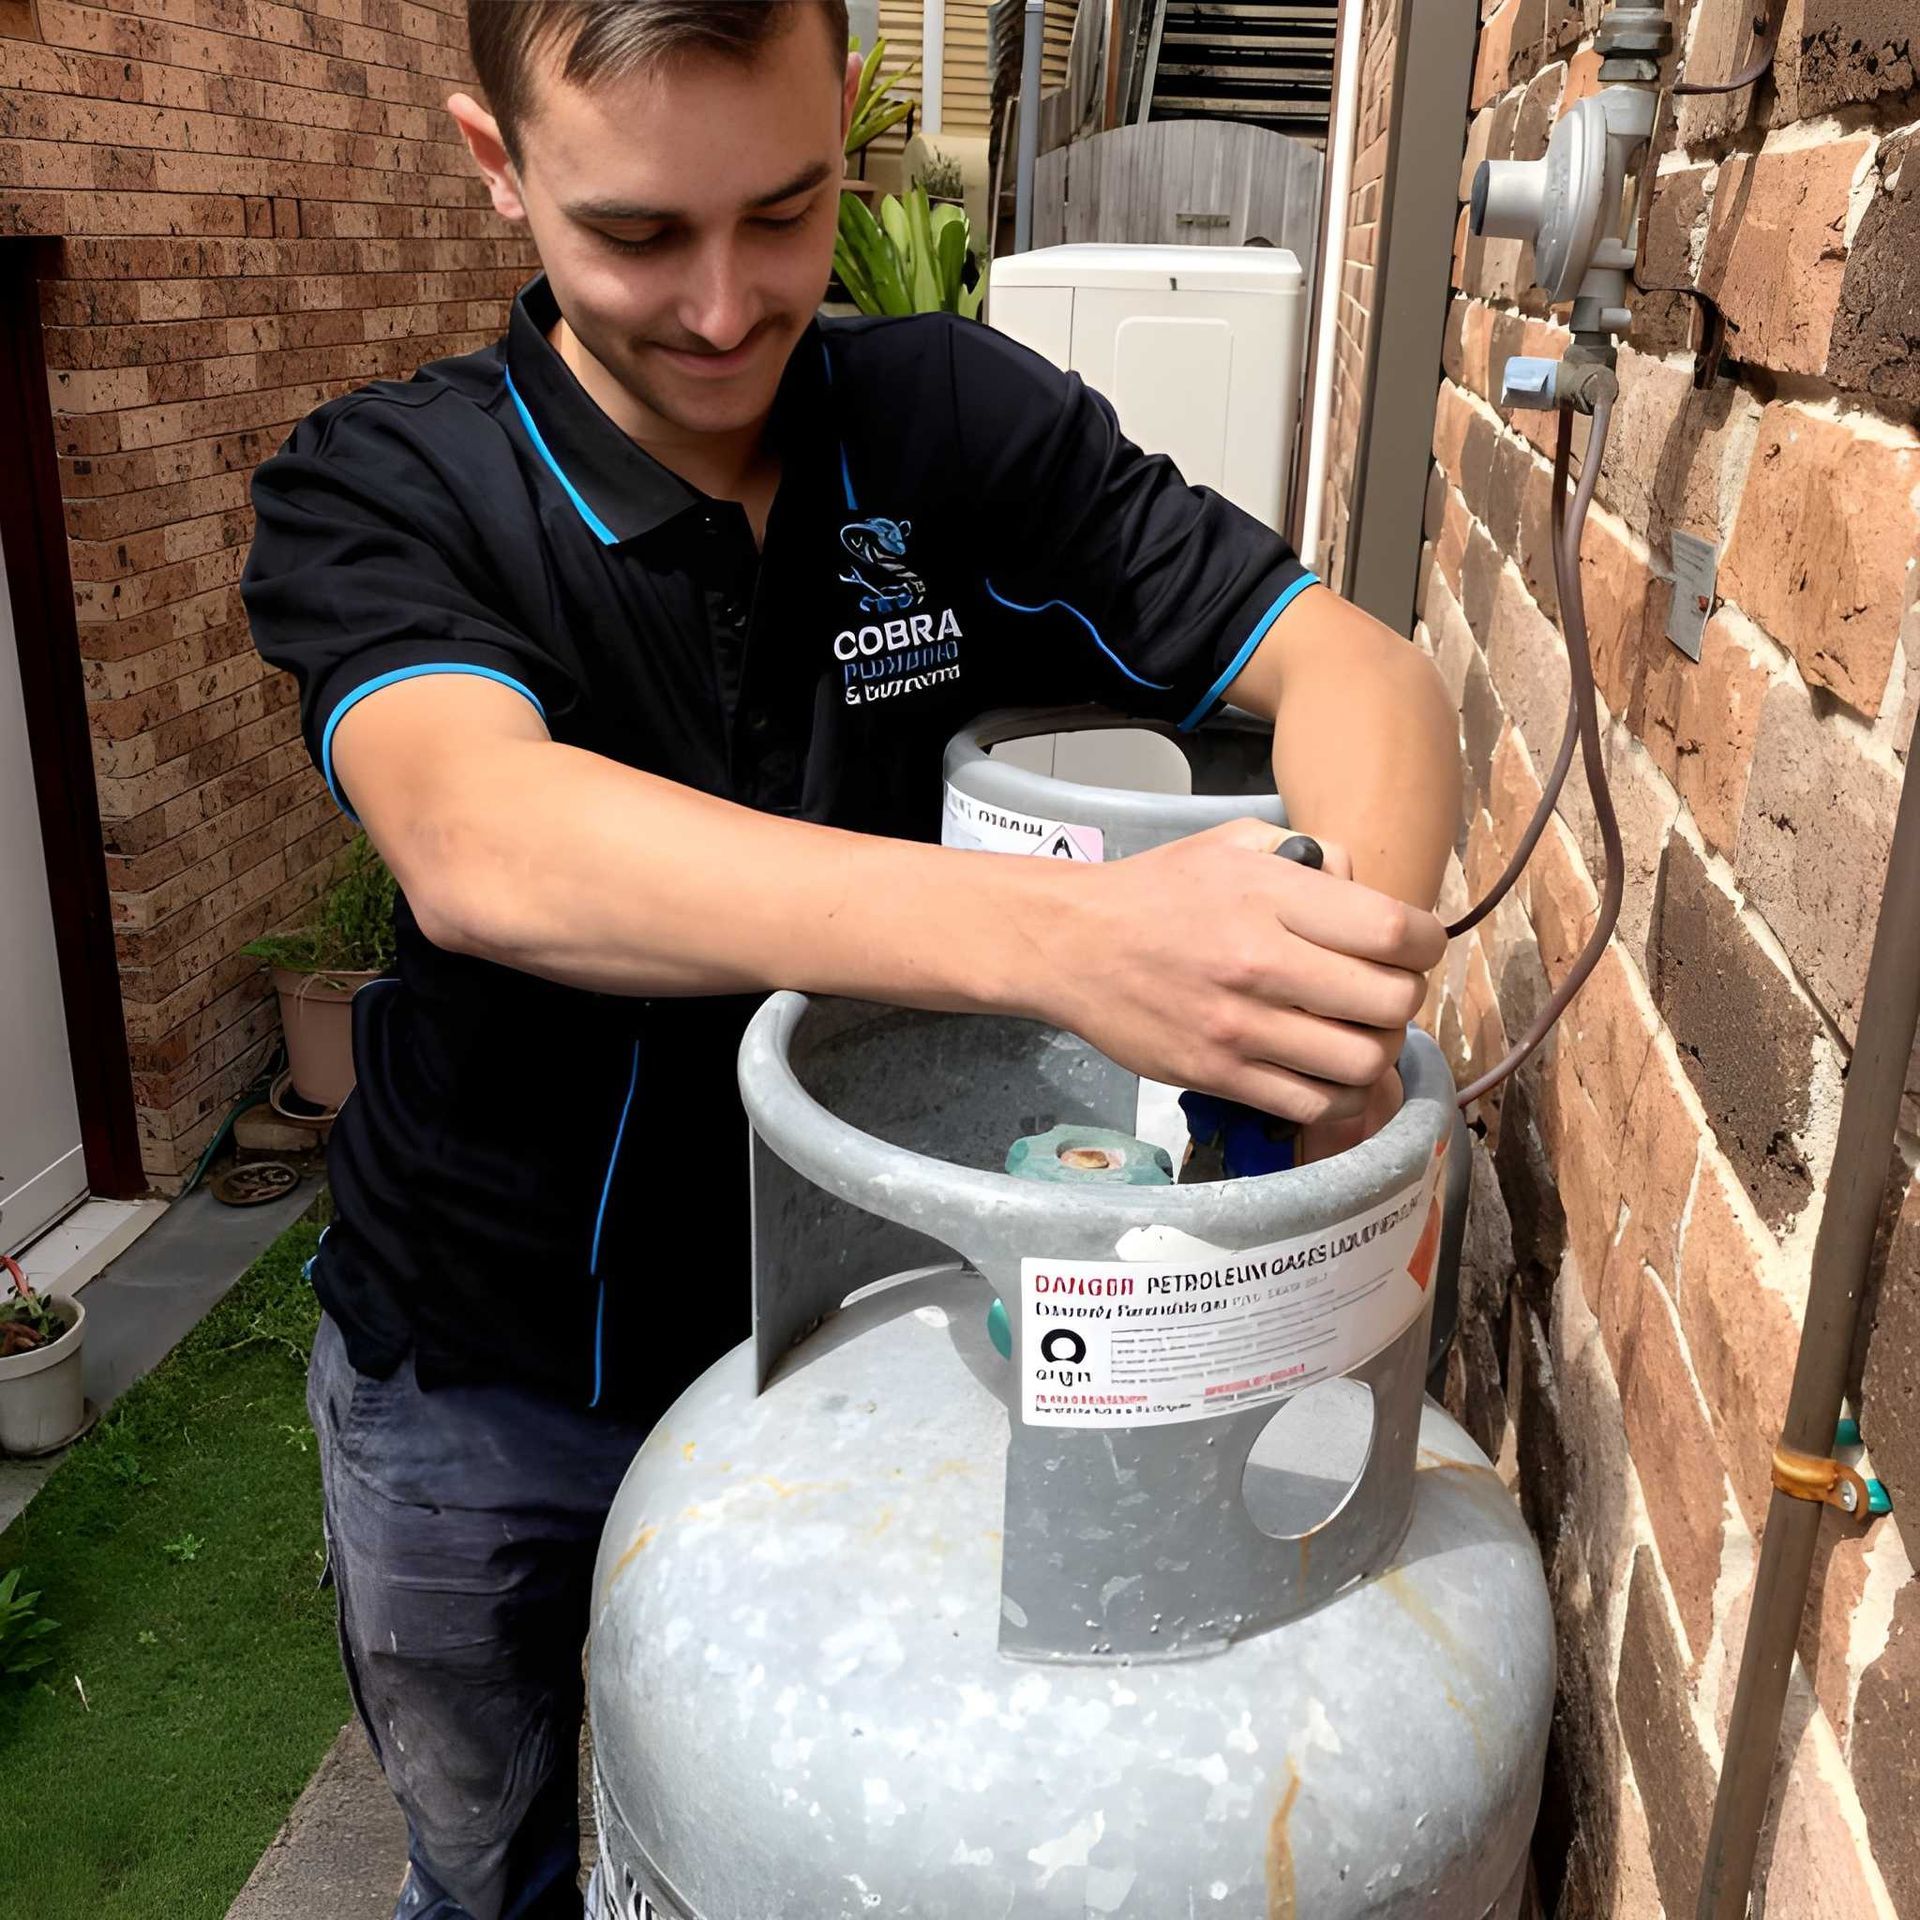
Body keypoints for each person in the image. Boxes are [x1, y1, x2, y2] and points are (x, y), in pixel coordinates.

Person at [240, 3, 1461, 1914]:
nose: (727, 307)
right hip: (487, 1378)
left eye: (788, 211)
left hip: (867, 1360)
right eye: (638, 233)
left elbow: (1355, 668)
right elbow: (483, 842)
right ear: (498, 164)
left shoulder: (943, 423)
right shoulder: (391, 482)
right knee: (491, 1866)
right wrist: (1079, 944)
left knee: (803, 1838)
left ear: (846, 133)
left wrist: (1325, 986)